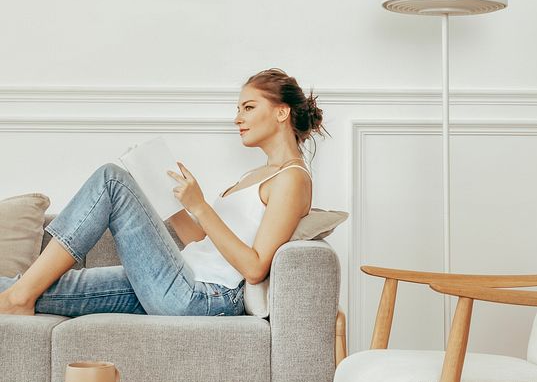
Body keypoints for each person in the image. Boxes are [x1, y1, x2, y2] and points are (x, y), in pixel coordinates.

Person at [0, 69, 324, 319]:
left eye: (249, 107)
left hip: (202, 297)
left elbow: (254, 268)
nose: (237, 118)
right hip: (178, 278)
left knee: (111, 180)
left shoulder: (293, 179)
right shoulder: (254, 176)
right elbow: (200, 242)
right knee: (36, 286)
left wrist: (201, 205)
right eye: (238, 108)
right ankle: (17, 299)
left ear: (282, 112)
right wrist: (175, 201)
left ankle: (18, 299)